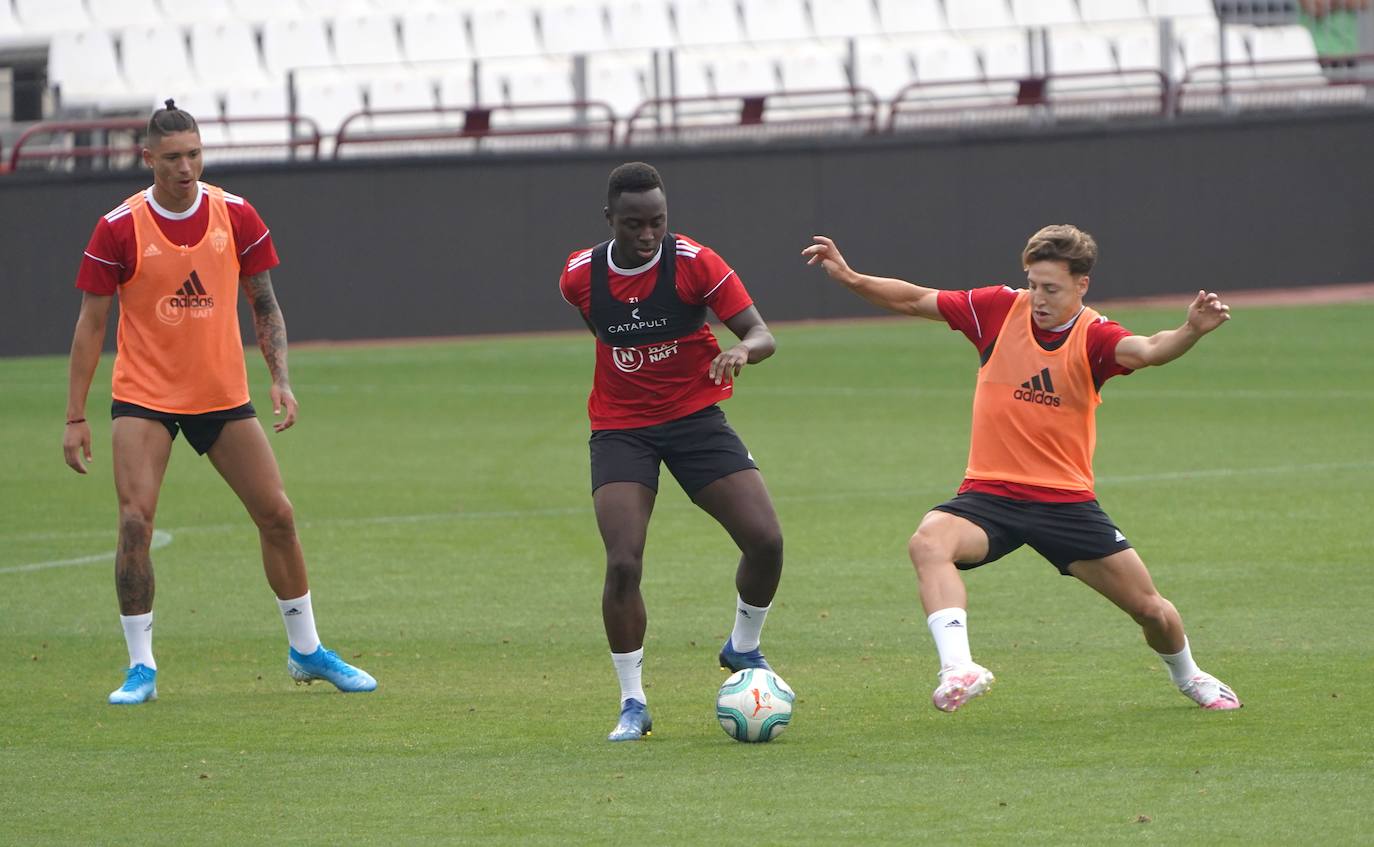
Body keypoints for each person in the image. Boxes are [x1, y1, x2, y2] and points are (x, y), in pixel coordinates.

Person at [802, 225, 1241, 713]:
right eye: (1032, 284)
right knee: (928, 543)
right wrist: (850, 277)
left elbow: (1149, 349)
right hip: (989, 496)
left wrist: (1190, 331)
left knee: (1150, 610)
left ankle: (1190, 676)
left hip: (1065, 503)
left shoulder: (1093, 336)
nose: (1037, 297)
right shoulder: (997, 309)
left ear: (1082, 284)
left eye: (1050, 288)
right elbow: (915, 300)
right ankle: (958, 668)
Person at [63, 100, 376, 705]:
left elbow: (265, 305)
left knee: (278, 515)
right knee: (134, 522)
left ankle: (307, 651)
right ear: (148, 158)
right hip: (144, 398)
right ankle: (140, 668)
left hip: (221, 396)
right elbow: (89, 325)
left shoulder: (235, 214)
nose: (186, 167)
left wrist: (280, 379)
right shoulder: (118, 227)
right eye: (173, 157)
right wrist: (76, 416)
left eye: (195, 155)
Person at [559, 162, 785, 741]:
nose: (647, 235)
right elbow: (606, 331)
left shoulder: (694, 263)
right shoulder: (579, 277)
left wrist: (742, 352)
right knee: (623, 561)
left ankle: (743, 646)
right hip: (621, 430)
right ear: (609, 220)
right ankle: (632, 702)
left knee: (766, 541)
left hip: (695, 421)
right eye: (633, 224)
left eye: (657, 222)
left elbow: (762, 334)